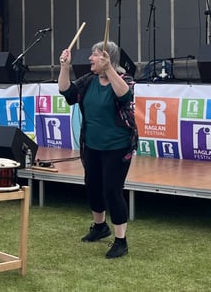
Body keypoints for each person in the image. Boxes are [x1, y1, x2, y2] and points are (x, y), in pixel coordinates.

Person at [58, 40, 138, 259]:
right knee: (92, 185)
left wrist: (109, 68)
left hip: (117, 145)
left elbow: (124, 96)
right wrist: (65, 67)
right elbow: (66, 91)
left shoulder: (125, 79)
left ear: (106, 58)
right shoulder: (89, 80)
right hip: (92, 144)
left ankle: (121, 240)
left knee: (112, 190)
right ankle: (100, 226)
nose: (90, 59)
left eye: (94, 56)